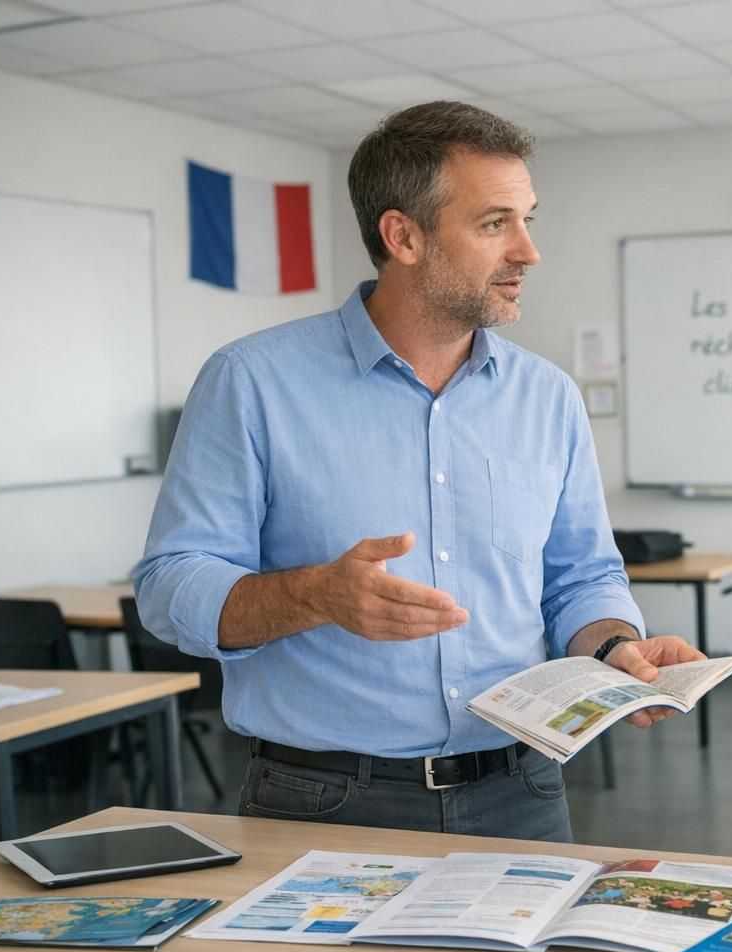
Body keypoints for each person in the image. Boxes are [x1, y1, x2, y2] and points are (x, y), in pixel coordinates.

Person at [135, 101, 699, 842]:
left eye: (529, 220)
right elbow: (169, 583)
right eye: (495, 224)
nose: (529, 252)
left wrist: (611, 643)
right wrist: (315, 596)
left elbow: (581, 575)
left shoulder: (547, 396)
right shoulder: (251, 381)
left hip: (522, 790)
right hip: (322, 798)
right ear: (403, 235)